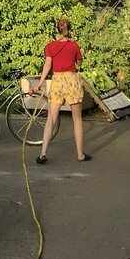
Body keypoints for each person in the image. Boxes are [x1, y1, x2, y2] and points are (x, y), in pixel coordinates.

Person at [29, 19, 90, 164]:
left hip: (57, 81)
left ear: (57, 30)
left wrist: (40, 83)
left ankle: (43, 153)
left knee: (51, 118)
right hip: (71, 80)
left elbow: (47, 65)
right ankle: (80, 154)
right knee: (77, 119)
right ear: (69, 30)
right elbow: (79, 63)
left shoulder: (50, 46)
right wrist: (74, 45)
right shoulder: (74, 45)